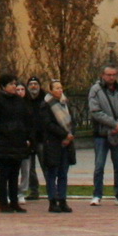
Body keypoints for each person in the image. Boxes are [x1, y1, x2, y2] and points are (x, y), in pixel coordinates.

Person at [0, 78, 35, 213]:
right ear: (3, 86)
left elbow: (26, 119)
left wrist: (27, 136)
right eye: (11, 84)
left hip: (18, 142)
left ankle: (14, 201)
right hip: (3, 142)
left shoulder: (19, 101)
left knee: (14, 173)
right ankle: (3, 203)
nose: (14, 86)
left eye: (15, 84)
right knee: (4, 173)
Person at [87, 65, 118, 205]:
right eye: (108, 74)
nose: (111, 77)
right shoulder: (96, 90)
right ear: (103, 75)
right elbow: (95, 111)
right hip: (101, 134)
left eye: (113, 74)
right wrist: (113, 124)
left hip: (117, 134)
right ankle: (97, 194)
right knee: (99, 166)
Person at [38, 79, 79, 212]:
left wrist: (70, 135)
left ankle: (62, 200)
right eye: (56, 88)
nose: (60, 90)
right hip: (53, 143)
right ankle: (52, 201)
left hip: (66, 144)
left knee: (63, 173)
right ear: (50, 90)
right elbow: (48, 124)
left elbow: (72, 122)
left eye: (61, 88)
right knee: (52, 173)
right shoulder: (46, 105)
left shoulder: (65, 103)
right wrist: (64, 135)